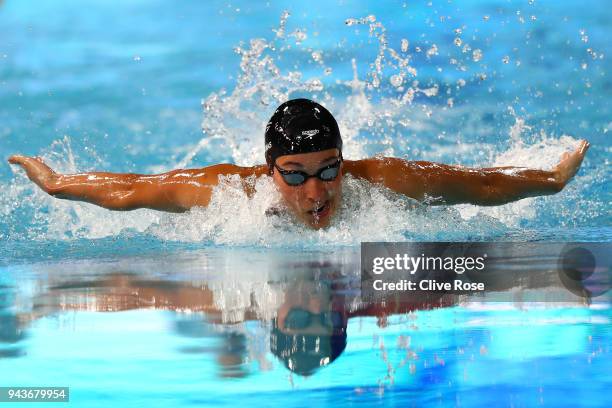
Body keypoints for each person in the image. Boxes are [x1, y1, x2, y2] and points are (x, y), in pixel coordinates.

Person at [8, 98, 589, 229]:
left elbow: (478, 186)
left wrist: (549, 180)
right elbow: (134, 190)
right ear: (268, 171)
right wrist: (59, 185)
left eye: (329, 169)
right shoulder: (229, 194)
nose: (317, 192)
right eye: (294, 174)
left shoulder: (382, 182)